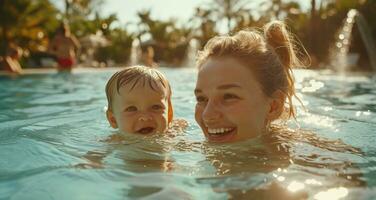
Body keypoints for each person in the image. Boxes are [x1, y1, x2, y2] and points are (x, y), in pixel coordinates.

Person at [194, 21, 301, 143]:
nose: (207, 115)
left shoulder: (308, 156)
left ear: (273, 107)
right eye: (201, 99)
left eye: (228, 96)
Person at [105, 65, 185, 135]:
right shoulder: (115, 142)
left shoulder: (172, 137)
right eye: (132, 109)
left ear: (169, 114)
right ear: (113, 120)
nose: (145, 117)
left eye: (156, 107)